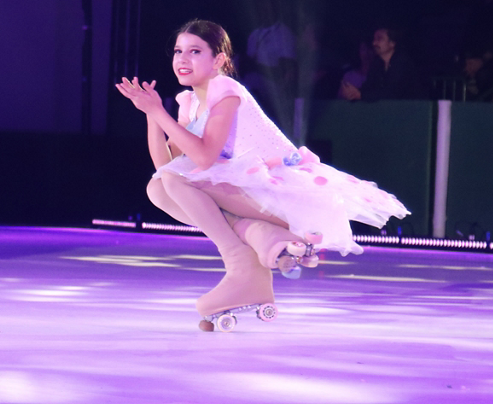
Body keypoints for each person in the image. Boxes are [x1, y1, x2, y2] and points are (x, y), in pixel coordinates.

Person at [116, 19, 408, 330]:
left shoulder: (225, 89)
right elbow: (166, 167)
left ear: (218, 59)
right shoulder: (189, 102)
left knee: (176, 181)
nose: (182, 59)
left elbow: (203, 157)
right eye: (178, 51)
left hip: (278, 194)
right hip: (245, 194)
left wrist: (158, 112)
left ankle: (239, 261)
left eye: (195, 51)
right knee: (159, 188)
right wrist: (151, 115)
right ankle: (256, 250)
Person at [341, 26, 423, 101]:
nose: (374, 43)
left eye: (379, 39)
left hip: (410, 109)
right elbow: (368, 88)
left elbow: (393, 92)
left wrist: (361, 95)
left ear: (392, 43)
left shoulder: (402, 62)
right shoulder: (376, 64)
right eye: (374, 39)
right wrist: (353, 92)